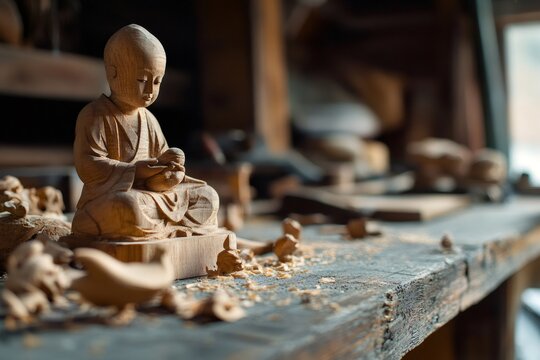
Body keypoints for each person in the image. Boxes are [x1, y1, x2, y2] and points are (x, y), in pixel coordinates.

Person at [72, 24, 219, 240]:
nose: (150, 91)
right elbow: (87, 165)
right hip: (114, 196)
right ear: (113, 73)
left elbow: (160, 160)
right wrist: (134, 171)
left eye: (157, 81)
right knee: (128, 207)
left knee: (208, 197)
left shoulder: (148, 119)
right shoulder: (94, 115)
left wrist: (171, 168)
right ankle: (158, 228)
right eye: (142, 80)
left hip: (152, 195)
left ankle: (161, 229)